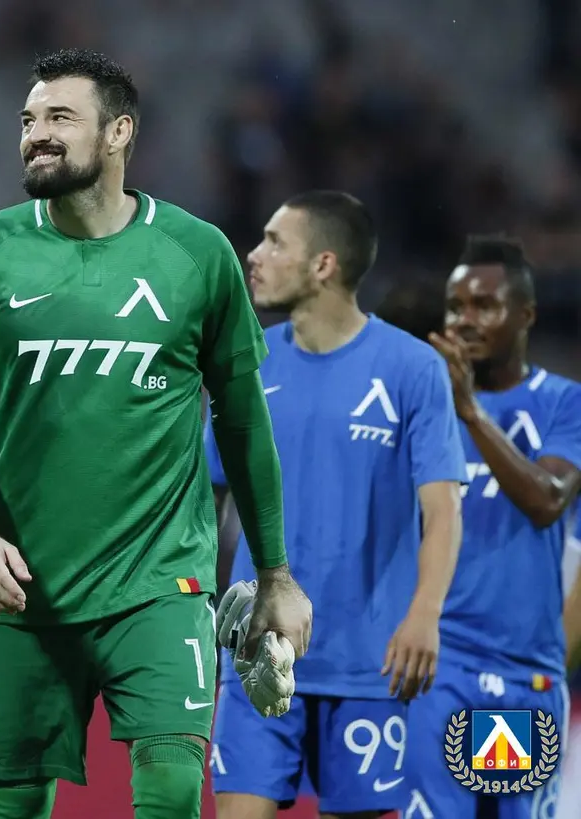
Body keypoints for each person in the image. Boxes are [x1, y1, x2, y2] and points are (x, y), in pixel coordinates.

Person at [0, 48, 313, 819]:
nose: (36, 133)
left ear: (119, 131)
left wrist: (275, 574)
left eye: (60, 117)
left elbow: (242, 421)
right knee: (12, 805)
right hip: (18, 584)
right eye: (28, 119)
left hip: (160, 583)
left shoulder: (197, 253)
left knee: (172, 788)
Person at [205, 190, 467, 819]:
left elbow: (443, 511)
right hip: (258, 658)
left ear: (323, 264)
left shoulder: (412, 368)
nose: (254, 255)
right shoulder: (246, 365)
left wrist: (425, 614)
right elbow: (207, 503)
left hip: (368, 664)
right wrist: (196, 607)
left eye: (275, 242)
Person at [404, 235, 581, 819]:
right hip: (438, 670)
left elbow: (547, 500)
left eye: (485, 305)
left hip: (519, 678)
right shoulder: (424, 410)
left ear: (526, 315)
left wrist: (472, 414)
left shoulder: (564, 404)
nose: (465, 320)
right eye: (456, 306)